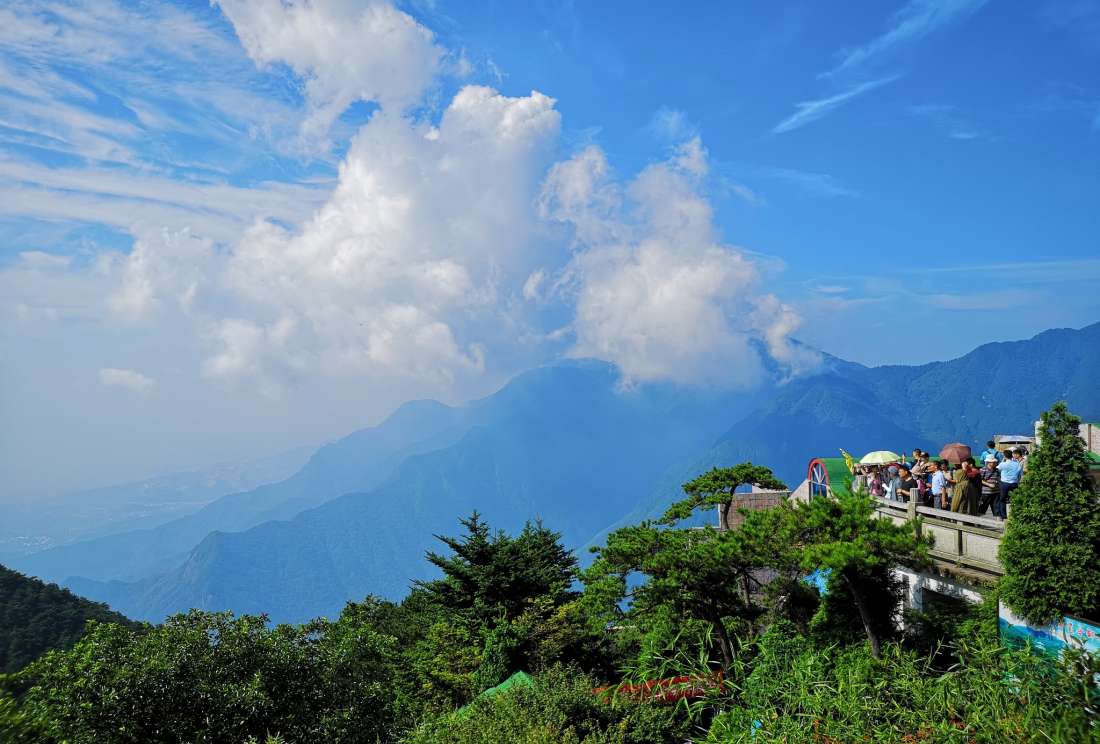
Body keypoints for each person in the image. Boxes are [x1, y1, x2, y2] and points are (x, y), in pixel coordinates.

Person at [995, 449, 1023, 520]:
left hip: (1004, 484)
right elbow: (1020, 473)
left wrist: (1002, 460)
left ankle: (1004, 516)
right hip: (1014, 483)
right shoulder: (1017, 464)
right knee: (1014, 500)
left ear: (1004, 456)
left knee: (1002, 500)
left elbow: (997, 469)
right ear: (1012, 455)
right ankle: (1014, 515)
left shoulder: (1003, 464)